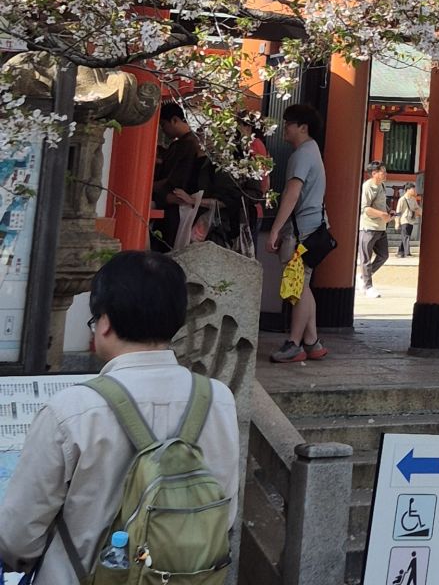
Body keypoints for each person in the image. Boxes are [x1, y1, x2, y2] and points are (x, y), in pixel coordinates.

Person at [0, 252, 239, 584]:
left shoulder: (72, 409)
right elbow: (222, 513)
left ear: (105, 321)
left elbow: (17, 538)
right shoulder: (218, 400)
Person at [267, 102, 329, 363]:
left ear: (302, 127)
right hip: (314, 226)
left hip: (302, 230)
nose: (285, 128)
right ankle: (312, 342)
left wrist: (275, 228)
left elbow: (292, 194)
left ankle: (294, 343)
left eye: (289, 124)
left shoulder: (302, 154)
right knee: (304, 284)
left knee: (299, 286)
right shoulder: (312, 150)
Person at [150, 101, 203, 253]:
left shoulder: (187, 145)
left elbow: (176, 178)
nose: (163, 130)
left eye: (164, 125)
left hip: (176, 202)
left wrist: (149, 188)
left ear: (175, 120)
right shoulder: (183, 144)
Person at [359, 159, 393, 298]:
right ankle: (368, 286)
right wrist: (382, 215)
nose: (385, 174)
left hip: (381, 227)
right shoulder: (367, 187)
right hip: (369, 226)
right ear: (374, 173)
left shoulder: (382, 186)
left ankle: (363, 277)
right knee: (366, 258)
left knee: (384, 255)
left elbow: (381, 203)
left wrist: (389, 211)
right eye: (382, 172)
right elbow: (365, 208)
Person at [396, 179, 423, 258]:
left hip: (411, 220)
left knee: (405, 236)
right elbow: (398, 211)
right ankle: (407, 253)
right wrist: (397, 222)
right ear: (407, 190)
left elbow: (417, 208)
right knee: (406, 236)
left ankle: (400, 252)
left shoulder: (413, 199)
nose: (414, 190)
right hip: (404, 220)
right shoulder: (402, 199)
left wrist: (421, 213)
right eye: (412, 189)